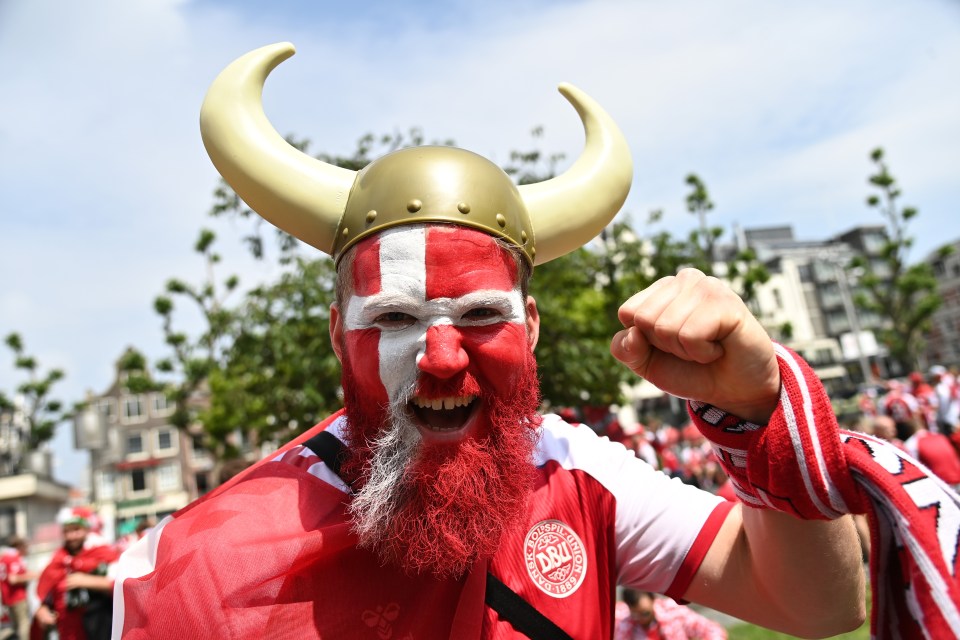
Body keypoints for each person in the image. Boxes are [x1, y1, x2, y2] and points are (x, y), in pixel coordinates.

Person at [112, 43, 959, 639]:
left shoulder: (575, 473)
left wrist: (755, 411)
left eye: (482, 316)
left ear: (534, 328)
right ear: (340, 335)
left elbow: (815, 605)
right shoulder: (206, 570)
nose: (444, 362)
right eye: (398, 320)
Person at [34, 508, 119, 640]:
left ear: (86, 530)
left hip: (100, 628)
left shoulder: (102, 553)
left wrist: (86, 581)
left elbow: (121, 585)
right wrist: (42, 610)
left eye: (76, 530)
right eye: (67, 531)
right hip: (68, 631)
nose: (71, 536)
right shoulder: (57, 559)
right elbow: (46, 595)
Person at [614, 588, 726, 640]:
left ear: (654, 600)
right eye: (635, 615)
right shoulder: (623, 621)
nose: (641, 620)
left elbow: (713, 630)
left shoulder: (673, 612)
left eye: (645, 613)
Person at [1, 536, 37, 640]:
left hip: (7, 597)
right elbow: (13, 579)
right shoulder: (13, 557)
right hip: (17, 597)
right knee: (23, 624)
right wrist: (32, 577)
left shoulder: (4, 557)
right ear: (20, 547)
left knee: (15, 625)